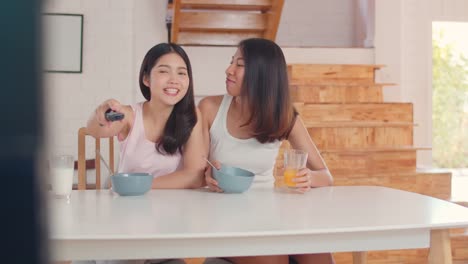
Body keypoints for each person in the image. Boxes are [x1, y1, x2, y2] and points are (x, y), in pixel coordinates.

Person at [199, 38, 335, 264]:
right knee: (275, 259)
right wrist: (207, 173)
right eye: (231, 62)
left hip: (271, 216)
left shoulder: (284, 116)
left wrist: (308, 177)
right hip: (226, 219)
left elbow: (326, 176)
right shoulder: (209, 109)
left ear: (261, 74)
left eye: (239, 65)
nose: (229, 70)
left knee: (319, 254)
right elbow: (197, 166)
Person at [87, 42, 206, 189]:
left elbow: (194, 176)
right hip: (129, 205)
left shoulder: (192, 116)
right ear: (146, 79)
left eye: (181, 73)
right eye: (164, 71)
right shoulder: (129, 115)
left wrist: (138, 185)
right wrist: (100, 116)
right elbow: (94, 131)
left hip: (174, 207)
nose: (174, 80)